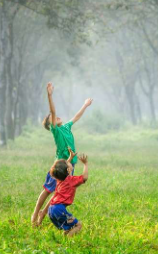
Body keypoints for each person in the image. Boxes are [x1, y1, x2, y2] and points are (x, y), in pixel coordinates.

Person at [31, 82, 93, 226]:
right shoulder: (56, 131)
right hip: (60, 166)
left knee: (59, 192)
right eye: (53, 118)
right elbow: (53, 111)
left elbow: (76, 117)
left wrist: (85, 105)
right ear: (50, 124)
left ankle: (42, 216)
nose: (57, 117)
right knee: (48, 190)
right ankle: (36, 213)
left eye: (57, 117)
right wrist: (49, 95)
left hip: (70, 164)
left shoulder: (66, 127)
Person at [48, 152, 89, 237]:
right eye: (68, 163)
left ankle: (63, 241)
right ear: (68, 170)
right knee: (78, 225)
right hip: (59, 209)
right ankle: (68, 243)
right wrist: (85, 164)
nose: (70, 163)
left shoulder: (59, 179)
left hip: (51, 209)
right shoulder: (71, 180)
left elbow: (62, 168)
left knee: (68, 228)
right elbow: (84, 177)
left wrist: (70, 158)